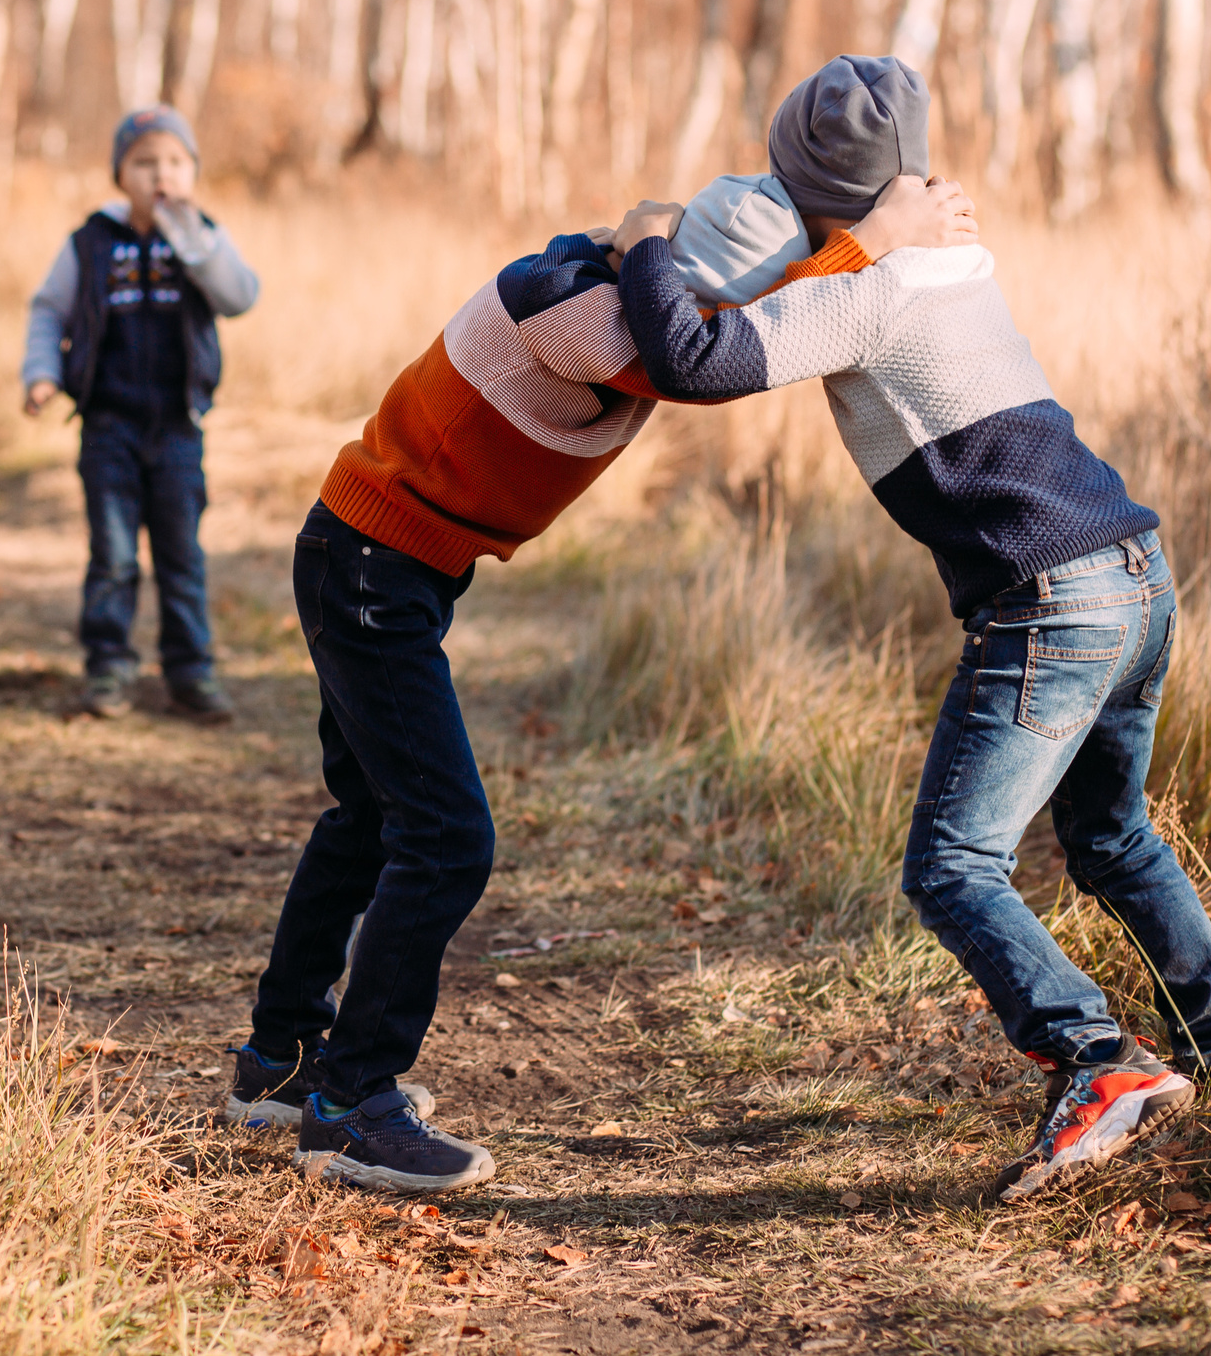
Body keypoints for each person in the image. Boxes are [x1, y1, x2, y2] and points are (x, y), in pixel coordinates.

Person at [223, 160, 980, 1194]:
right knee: (445, 840)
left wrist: (754, 238)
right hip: (371, 566)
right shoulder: (580, 312)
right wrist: (873, 246)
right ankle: (351, 1103)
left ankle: (282, 1059)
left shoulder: (614, 283)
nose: (700, 317)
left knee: (368, 817)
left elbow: (727, 314)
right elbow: (707, 356)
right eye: (692, 299)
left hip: (377, 556)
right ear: (663, 282)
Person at [611, 54, 1211, 1204]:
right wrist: (873, 223)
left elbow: (693, 359)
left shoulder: (863, 292)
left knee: (952, 867)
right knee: (1110, 837)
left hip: (1048, 597)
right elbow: (845, 264)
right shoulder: (944, 253)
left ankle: (1098, 1061)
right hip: (1136, 571)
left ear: (802, 186)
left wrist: (644, 246)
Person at [23, 106, 259, 723]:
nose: (162, 175)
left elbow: (239, 298)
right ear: (119, 174)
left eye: (176, 162)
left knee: (182, 555)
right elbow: (49, 309)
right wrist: (42, 374)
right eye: (145, 162)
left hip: (180, 427)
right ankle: (108, 668)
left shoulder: (205, 236)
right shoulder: (90, 243)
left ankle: (191, 672)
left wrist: (195, 246)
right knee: (115, 554)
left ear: (193, 172)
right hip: (109, 425)